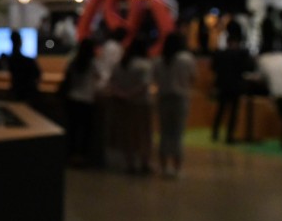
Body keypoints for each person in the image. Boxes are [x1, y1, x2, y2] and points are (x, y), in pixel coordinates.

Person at [154, 32, 197, 177]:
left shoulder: (159, 60)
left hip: (163, 98)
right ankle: (177, 168)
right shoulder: (186, 59)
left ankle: (163, 166)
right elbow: (193, 78)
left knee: (164, 133)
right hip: (180, 99)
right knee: (178, 134)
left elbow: (155, 79)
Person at [109, 38, 154, 174]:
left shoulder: (120, 64)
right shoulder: (145, 65)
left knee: (128, 135)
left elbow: (112, 83)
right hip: (141, 103)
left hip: (123, 104)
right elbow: (144, 85)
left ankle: (130, 164)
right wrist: (131, 94)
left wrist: (122, 94)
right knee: (144, 134)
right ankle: (144, 163)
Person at [62, 39, 105, 166]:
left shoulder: (73, 62)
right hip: (87, 100)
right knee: (86, 132)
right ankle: (82, 157)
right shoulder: (93, 63)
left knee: (72, 130)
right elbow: (100, 78)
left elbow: (67, 79)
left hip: (72, 99)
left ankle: (71, 156)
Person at [211, 22, 256, 144]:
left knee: (221, 110)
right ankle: (229, 136)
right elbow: (248, 67)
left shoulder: (220, 54)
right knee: (232, 113)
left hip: (223, 85)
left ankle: (215, 133)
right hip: (236, 86)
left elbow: (214, 68)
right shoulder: (242, 54)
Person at [5, 29, 41, 103]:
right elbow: (38, 75)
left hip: (17, 92)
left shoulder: (10, 60)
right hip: (27, 94)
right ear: (20, 42)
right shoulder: (28, 61)